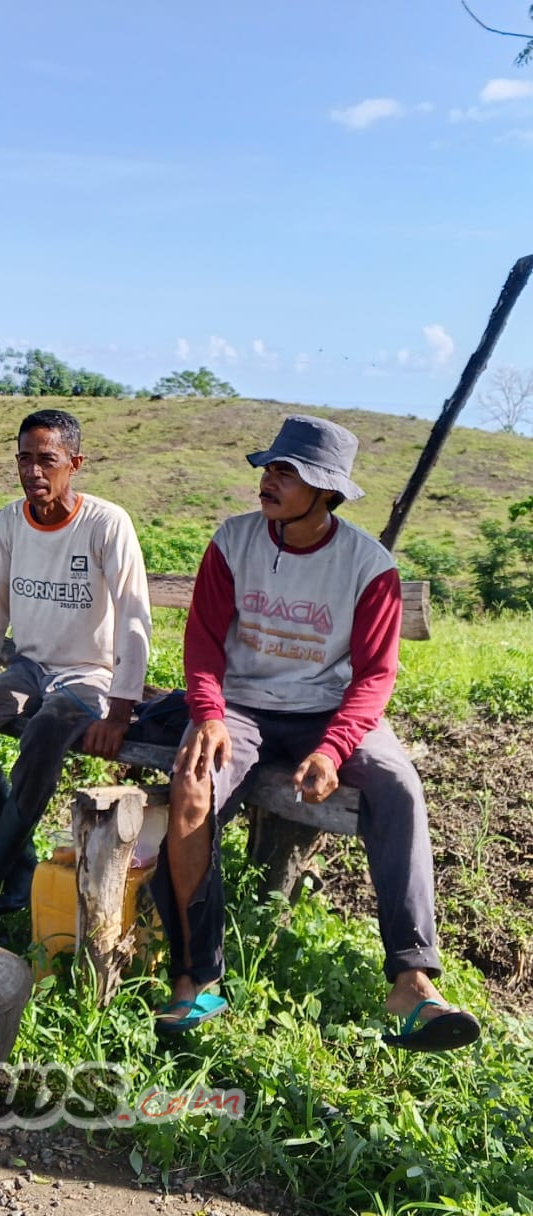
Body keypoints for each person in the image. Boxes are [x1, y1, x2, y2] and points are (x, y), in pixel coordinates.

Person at [150, 415, 481, 1050]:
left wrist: (333, 749)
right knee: (192, 785)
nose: (267, 480)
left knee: (398, 785)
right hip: (241, 707)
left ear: (325, 492)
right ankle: (195, 976)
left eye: (286, 472)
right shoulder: (233, 542)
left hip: (328, 713)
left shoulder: (367, 565)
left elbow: (375, 676)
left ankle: (412, 979)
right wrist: (209, 713)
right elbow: (203, 642)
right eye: (269, 467)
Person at [0, 409, 152, 936]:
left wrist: (121, 710)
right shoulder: (11, 521)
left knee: (48, 730)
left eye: (47, 460)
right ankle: (21, 869)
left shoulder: (105, 523)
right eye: (24, 459)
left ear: (74, 463)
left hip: (87, 675)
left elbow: (134, 615)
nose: (34, 471)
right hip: (29, 666)